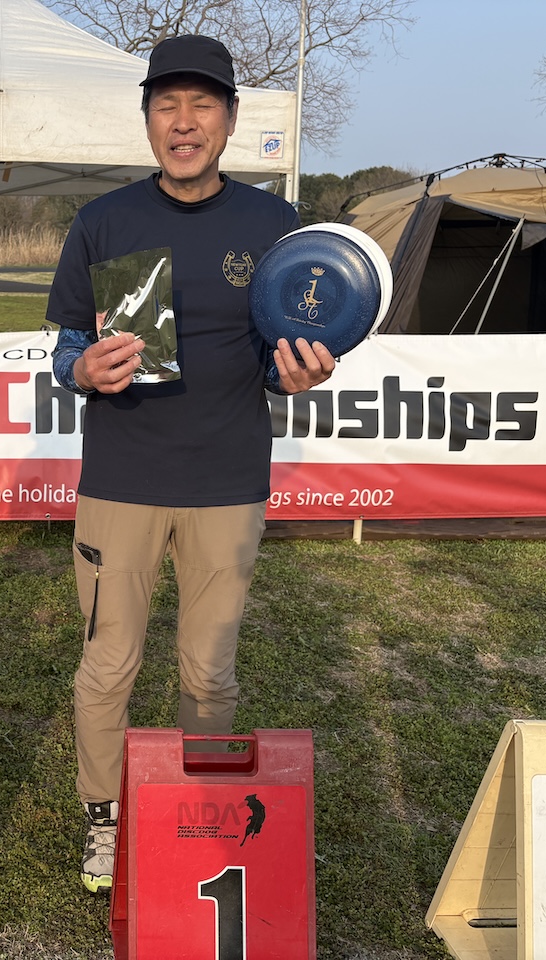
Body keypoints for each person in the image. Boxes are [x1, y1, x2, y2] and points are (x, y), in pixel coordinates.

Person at [47, 35, 336, 892]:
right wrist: (79, 369)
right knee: (109, 663)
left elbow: (290, 349)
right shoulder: (103, 222)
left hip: (227, 483)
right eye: (167, 105)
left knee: (210, 669)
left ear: (231, 119)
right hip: (122, 481)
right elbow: (65, 343)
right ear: (146, 120)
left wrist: (300, 374)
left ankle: (202, 812)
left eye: (202, 105)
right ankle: (105, 817)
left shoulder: (275, 227)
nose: (184, 122)